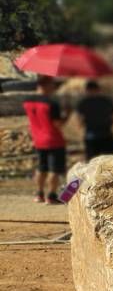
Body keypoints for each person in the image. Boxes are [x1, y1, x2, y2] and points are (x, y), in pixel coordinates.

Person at [23, 75, 66, 204]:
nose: (54, 87)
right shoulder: (52, 104)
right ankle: (51, 196)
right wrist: (67, 114)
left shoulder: (27, 101)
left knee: (41, 168)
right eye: (52, 85)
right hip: (54, 140)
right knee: (54, 169)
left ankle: (39, 194)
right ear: (46, 85)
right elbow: (58, 124)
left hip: (38, 140)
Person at [75, 80, 113, 161]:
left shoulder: (82, 103)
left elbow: (80, 123)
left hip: (91, 137)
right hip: (107, 135)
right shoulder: (107, 101)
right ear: (98, 89)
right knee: (109, 162)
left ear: (87, 90)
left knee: (92, 163)